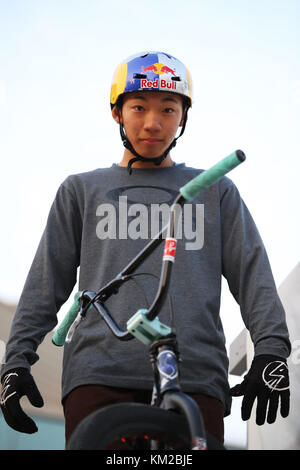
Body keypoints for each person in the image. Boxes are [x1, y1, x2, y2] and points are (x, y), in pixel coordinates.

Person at [0, 51, 291, 447]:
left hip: (194, 376)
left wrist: (272, 352)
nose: (153, 123)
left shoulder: (215, 190)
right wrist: (15, 362)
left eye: (169, 109)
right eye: (138, 107)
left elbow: (253, 274)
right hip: (98, 374)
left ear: (183, 117)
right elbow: (45, 283)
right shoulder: (82, 190)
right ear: (117, 113)